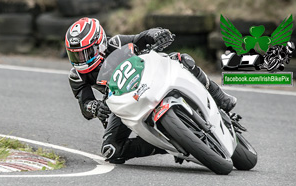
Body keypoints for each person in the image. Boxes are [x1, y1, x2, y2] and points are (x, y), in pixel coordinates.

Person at [66, 17, 237, 164]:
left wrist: (156, 33)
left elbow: (140, 38)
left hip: (147, 78)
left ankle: (220, 97)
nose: (81, 60)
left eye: (86, 53)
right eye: (75, 55)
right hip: (119, 103)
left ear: (100, 44)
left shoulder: (115, 43)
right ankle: (168, 145)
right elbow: (84, 104)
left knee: (181, 58)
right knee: (111, 150)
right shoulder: (77, 76)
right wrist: (94, 107)